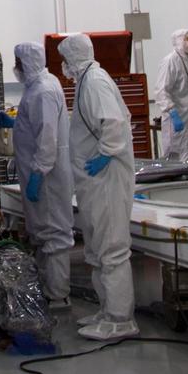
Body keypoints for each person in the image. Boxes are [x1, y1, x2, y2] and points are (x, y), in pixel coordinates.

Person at [57, 33, 137, 341]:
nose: (63, 65)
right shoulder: (86, 81)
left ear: (73, 57)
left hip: (107, 178)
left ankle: (120, 319)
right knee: (97, 247)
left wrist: (106, 153)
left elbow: (114, 122)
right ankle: (107, 310)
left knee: (111, 247)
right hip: (94, 180)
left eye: (64, 59)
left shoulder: (95, 81)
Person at [0, 43, 74, 308]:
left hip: (47, 178)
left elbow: (48, 138)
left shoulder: (43, 91)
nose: (15, 67)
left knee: (54, 235)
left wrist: (39, 174)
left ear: (27, 62)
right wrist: (14, 123)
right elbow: (35, 124)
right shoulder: (38, 86)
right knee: (41, 234)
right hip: (39, 174)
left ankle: (58, 294)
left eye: (17, 62)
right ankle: (47, 288)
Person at [154, 29, 188, 164]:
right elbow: (161, 91)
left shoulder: (186, 61)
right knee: (178, 162)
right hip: (178, 122)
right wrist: (172, 112)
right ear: (180, 41)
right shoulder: (170, 61)